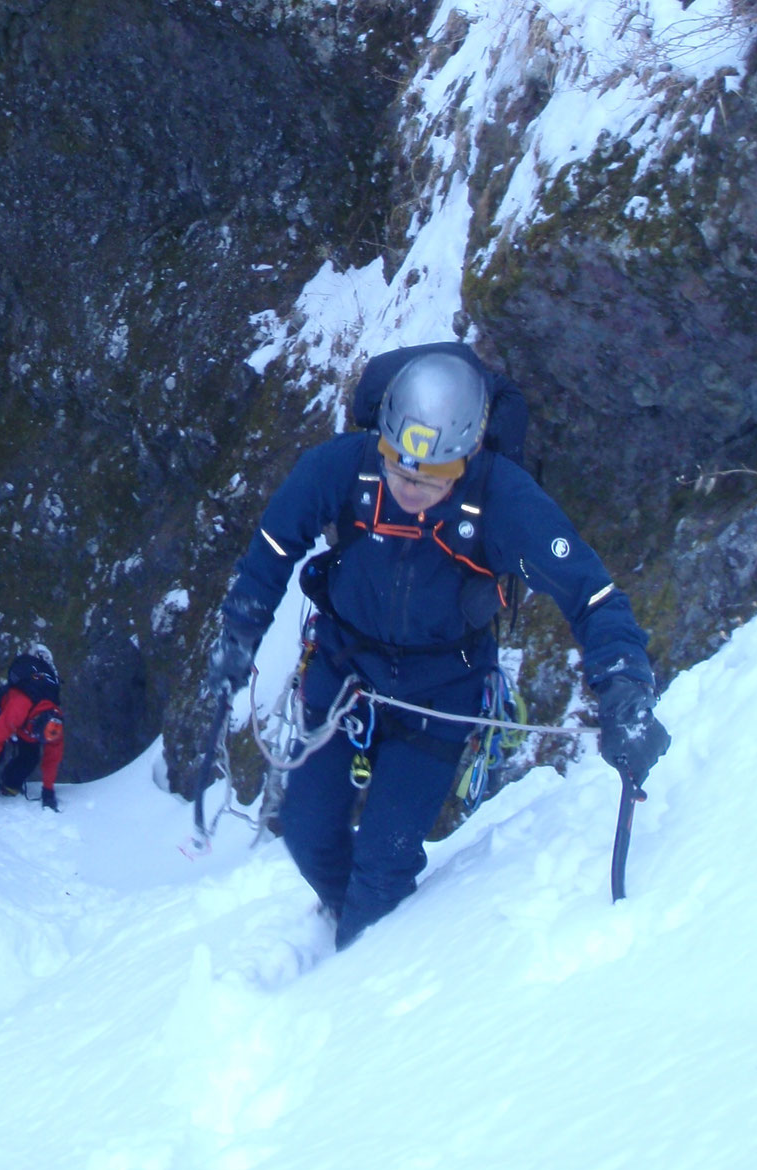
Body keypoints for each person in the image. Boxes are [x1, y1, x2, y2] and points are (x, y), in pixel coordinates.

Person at [207, 345, 670, 948]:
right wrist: (239, 636)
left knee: (385, 860)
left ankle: (363, 966)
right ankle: (354, 931)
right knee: (306, 832)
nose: (411, 489)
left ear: (470, 453)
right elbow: (271, 549)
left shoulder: (503, 499)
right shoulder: (344, 468)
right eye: (399, 469)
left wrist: (624, 688)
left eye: (434, 477)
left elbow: (591, 594)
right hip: (344, 675)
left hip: (440, 692)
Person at [0, 644, 65, 809]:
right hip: (3, 713)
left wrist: (48, 790)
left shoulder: (55, 727)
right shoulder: (20, 706)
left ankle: (9, 786)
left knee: (30, 757)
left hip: (24, 728)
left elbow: (52, 758)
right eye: (38, 734)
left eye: (41, 737)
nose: (38, 738)